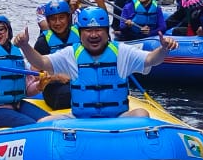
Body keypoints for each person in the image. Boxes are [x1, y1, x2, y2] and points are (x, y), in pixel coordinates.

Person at [18, 7, 177, 119]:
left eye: (98, 30)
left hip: (117, 118)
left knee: (141, 114)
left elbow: (151, 59)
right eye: (88, 30)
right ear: (80, 33)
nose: (93, 35)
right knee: (45, 122)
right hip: (80, 120)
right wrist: (25, 45)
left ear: (106, 32)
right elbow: (41, 62)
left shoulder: (121, 51)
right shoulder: (71, 53)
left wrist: (163, 49)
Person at [31, 0, 79, 110]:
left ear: (68, 18)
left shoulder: (81, 34)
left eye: (61, 18)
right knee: (67, 95)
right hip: (55, 87)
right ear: (48, 21)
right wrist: (55, 77)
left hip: (80, 81)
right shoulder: (43, 41)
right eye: (53, 19)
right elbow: (34, 73)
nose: (57, 23)